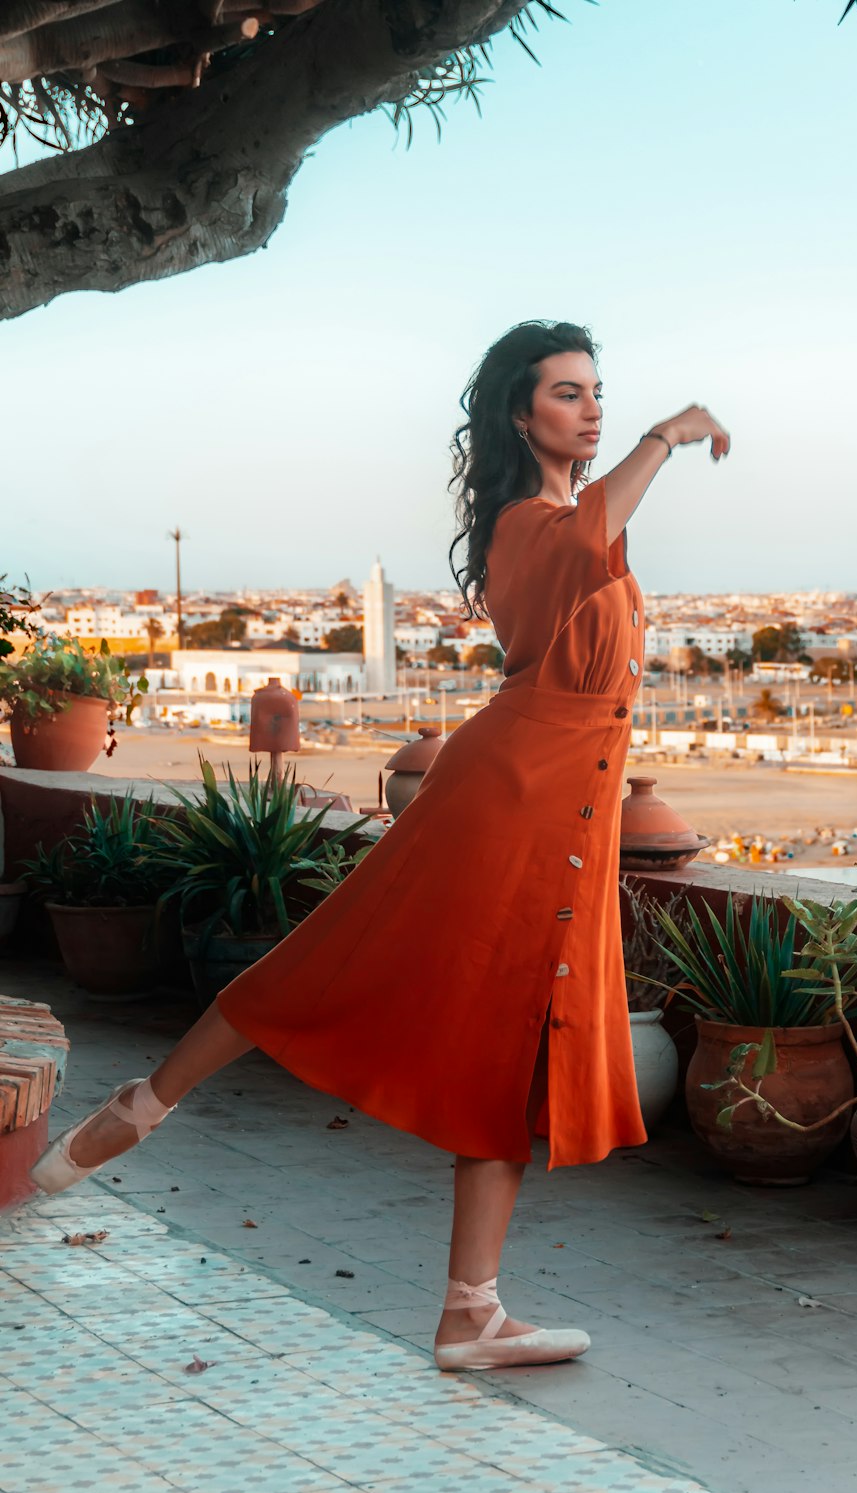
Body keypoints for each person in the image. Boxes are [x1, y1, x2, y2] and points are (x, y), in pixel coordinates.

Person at [31, 321, 730, 1371]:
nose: (590, 410)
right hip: (508, 795)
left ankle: (470, 1313)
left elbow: (598, 559)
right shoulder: (525, 524)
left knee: (512, 1046)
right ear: (517, 413)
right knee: (344, 956)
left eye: (599, 393)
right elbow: (587, 545)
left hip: (566, 807)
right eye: (566, 394)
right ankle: (144, 1106)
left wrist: (642, 454)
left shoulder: (574, 520)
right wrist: (663, 438)